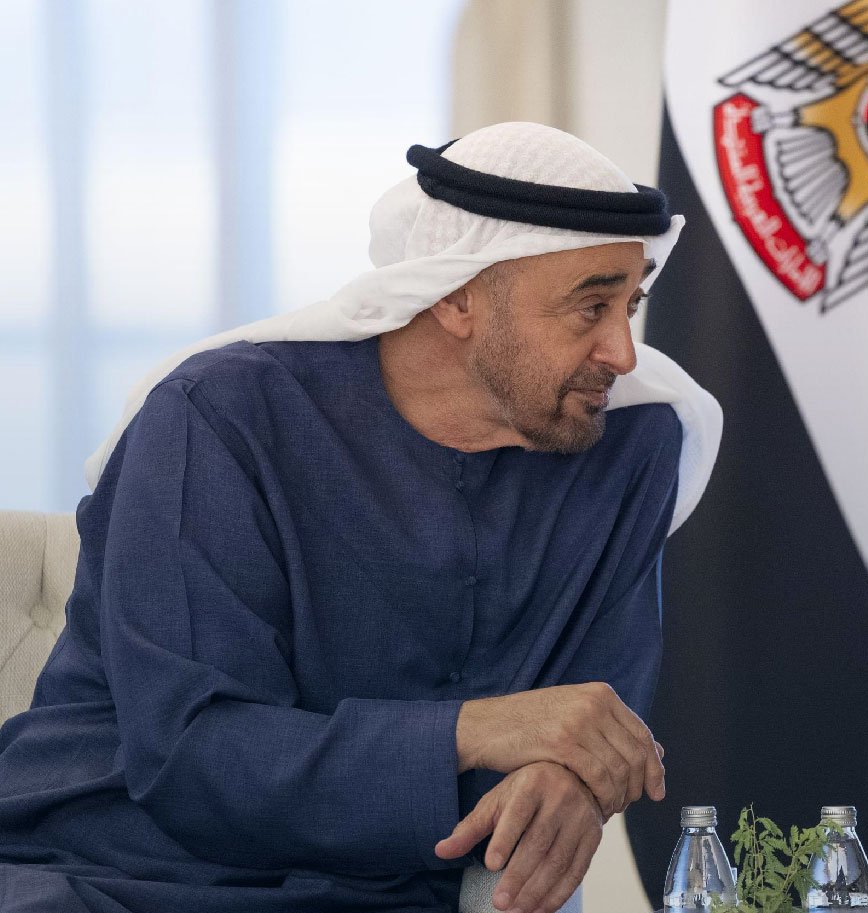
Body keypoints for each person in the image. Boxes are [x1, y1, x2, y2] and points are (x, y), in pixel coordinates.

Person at [0, 122, 722, 913]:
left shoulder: (630, 447)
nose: (623, 352)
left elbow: (598, 715)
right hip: (118, 868)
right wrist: (483, 730)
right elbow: (194, 758)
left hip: (391, 889)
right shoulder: (216, 420)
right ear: (456, 297)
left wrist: (571, 775)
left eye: (631, 304)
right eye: (590, 308)